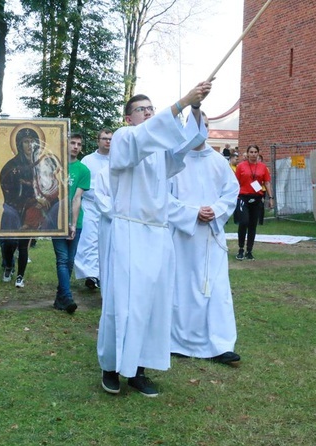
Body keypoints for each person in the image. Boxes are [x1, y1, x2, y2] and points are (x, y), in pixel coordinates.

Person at [96, 81, 211, 397]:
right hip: (129, 231)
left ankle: (139, 370)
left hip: (157, 235)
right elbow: (143, 140)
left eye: (151, 108)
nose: (148, 113)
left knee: (154, 304)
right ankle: (111, 367)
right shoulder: (124, 139)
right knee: (123, 302)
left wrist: (195, 106)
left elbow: (191, 140)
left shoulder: (160, 149)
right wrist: (182, 101)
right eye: (141, 109)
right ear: (128, 117)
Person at [168, 112, 241, 366]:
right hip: (184, 237)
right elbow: (165, 197)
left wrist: (216, 210)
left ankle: (220, 344)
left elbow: (230, 193)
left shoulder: (219, 162)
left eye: (206, 125)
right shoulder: (176, 160)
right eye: (197, 124)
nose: (202, 130)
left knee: (216, 289)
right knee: (182, 287)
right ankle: (177, 341)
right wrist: (192, 213)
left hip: (211, 236)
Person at [51, 132, 90, 312]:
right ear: (65, 144)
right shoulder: (54, 166)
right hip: (55, 220)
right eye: (72, 143)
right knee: (62, 259)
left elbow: (77, 198)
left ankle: (60, 298)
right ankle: (67, 298)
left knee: (70, 261)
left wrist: (73, 223)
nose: (75, 146)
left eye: (78, 144)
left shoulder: (83, 170)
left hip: (76, 221)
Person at [74, 128, 112, 290]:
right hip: (90, 205)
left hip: (110, 207)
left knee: (108, 241)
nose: (108, 142)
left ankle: (105, 274)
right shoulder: (88, 160)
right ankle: (91, 275)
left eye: (111, 139)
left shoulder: (117, 160)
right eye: (105, 138)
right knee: (89, 240)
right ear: (98, 140)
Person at [233, 145, 274, 260]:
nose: (253, 154)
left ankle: (249, 250)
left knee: (252, 225)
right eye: (251, 152)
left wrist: (271, 198)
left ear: (258, 153)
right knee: (244, 222)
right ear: (247, 153)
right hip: (243, 197)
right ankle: (241, 249)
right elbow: (235, 183)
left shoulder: (262, 167)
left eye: (255, 152)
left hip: (256, 198)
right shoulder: (241, 166)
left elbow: (267, 183)